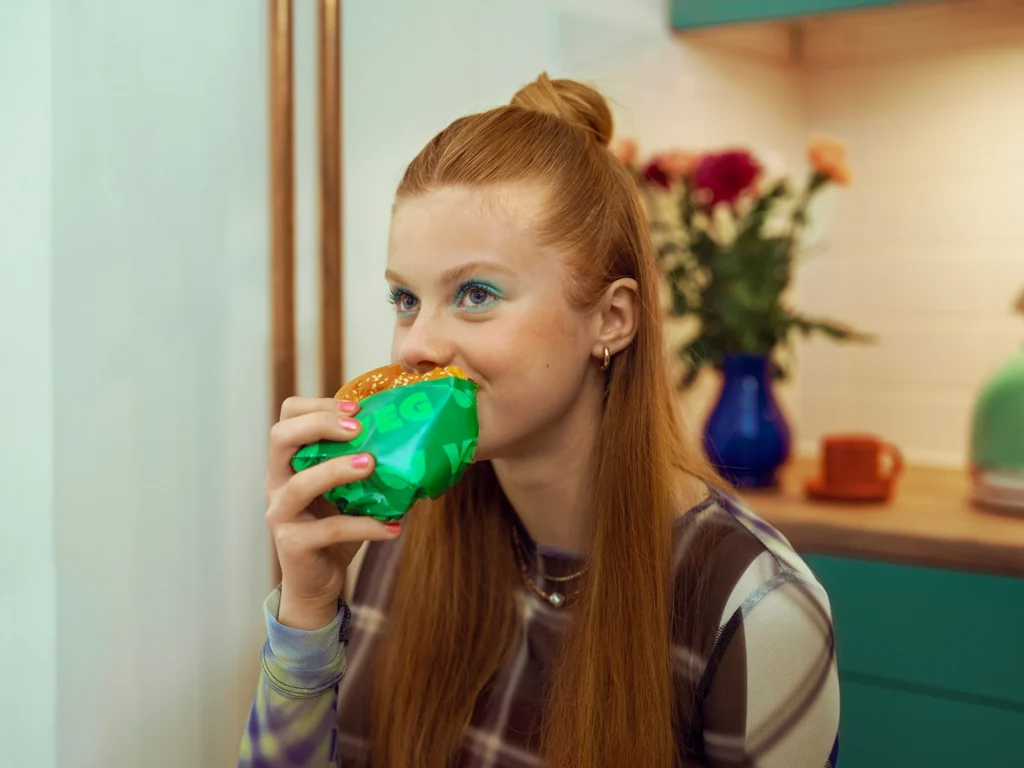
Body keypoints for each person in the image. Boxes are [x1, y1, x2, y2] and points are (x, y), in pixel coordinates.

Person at [238, 74, 840, 768]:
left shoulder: (757, 610)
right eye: (405, 299)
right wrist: (307, 611)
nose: (415, 346)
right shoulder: (403, 537)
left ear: (611, 319)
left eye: (475, 293)